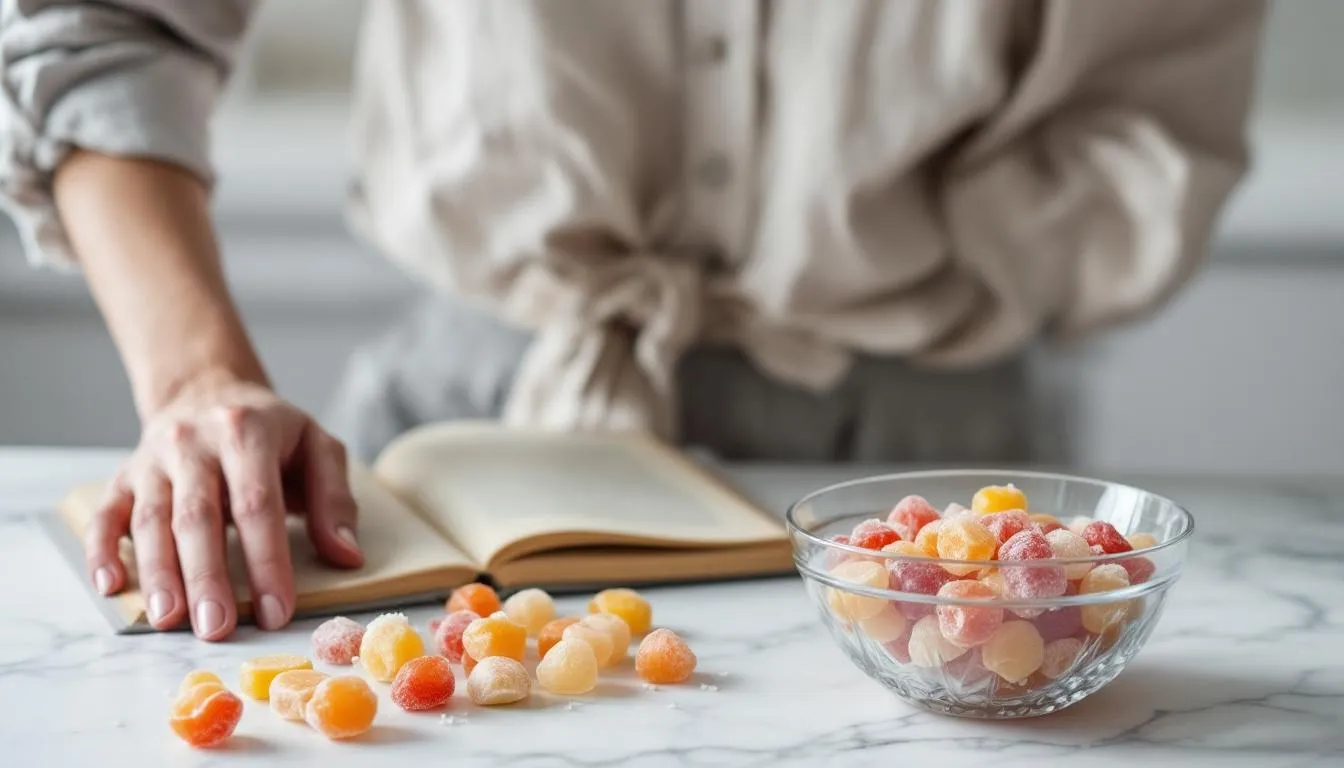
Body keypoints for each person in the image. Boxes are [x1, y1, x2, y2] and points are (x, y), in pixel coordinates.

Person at [0, 1, 1265, 641]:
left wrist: (890, 254)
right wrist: (193, 381)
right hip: (461, 433)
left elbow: (1151, 120)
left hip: (918, 461)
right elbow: (104, 26)